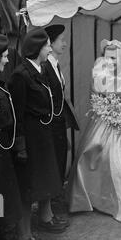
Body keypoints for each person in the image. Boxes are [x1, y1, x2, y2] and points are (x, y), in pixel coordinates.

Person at [68, 40, 121, 223]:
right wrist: (104, 108)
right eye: (107, 56)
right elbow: (94, 96)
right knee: (90, 155)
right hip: (103, 119)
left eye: (115, 57)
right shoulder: (99, 73)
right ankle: (90, 198)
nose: (110, 61)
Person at [8, 28, 67, 240]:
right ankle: (23, 238)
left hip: (42, 138)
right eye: (46, 46)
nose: (49, 48)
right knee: (26, 190)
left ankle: (31, 234)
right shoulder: (20, 75)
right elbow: (17, 115)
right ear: (36, 49)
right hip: (29, 141)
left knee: (37, 186)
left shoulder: (39, 69)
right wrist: (20, 147)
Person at [42, 25, 79, 185]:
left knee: (62, 155)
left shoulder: (56, 65)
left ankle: (57, 191)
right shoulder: (46, 67)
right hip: (52, 123)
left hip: (60, 122)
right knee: (56, 157)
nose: (64, 44)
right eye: (61, 41)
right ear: (50, 43)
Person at [0, 34, 22, 240]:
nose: (6, 61)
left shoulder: (0, 84)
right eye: (4, 57)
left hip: (2, 156)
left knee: (0, 206)